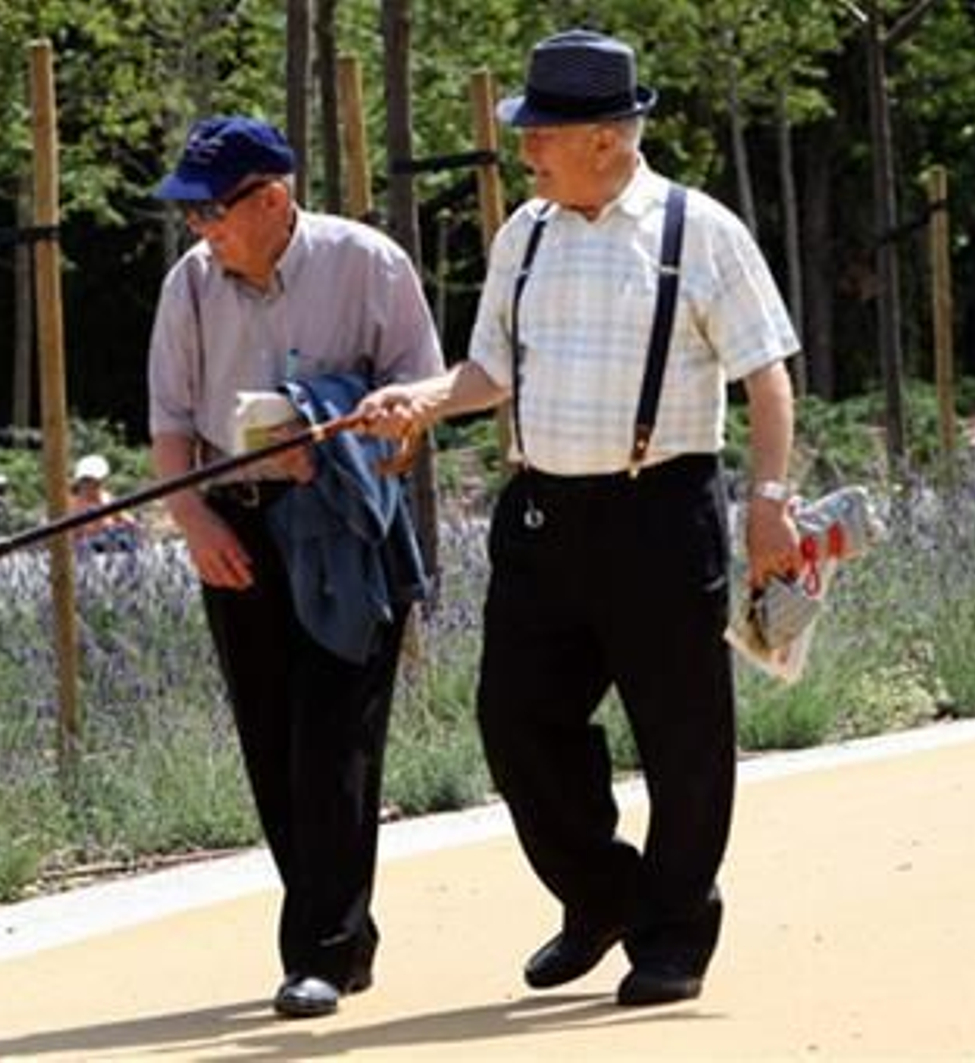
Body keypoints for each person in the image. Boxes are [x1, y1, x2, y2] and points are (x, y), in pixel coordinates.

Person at [359, 29, 802, 1007]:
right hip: (541, 519)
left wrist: (768, 503)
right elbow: (488, 373)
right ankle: (604, 894)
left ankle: (674, 933)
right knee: (515, 719)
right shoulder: (525, 233)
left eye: (542, 133)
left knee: (682, 732)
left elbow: (766, 377)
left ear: (605, 136)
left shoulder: (698, 232)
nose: (525, 151)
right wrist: (422, 399)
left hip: (661, 510)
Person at [145, 115, 444, 1019]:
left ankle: (314, 948)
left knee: (336, 741)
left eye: (212, 209)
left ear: (272, 198)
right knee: (274, 745)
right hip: (237, 528)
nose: (201, 229)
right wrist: (194, 520)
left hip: (347, 526)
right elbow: (168, 426)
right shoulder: (188, 287)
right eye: (189, 212)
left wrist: (365, 437)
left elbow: (425, 396)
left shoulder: (370, 264)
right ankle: (342, 933)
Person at [67, 453, 139, 553]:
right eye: (85, 481)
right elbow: (71, 536)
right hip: (88, 552)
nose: (88, 487)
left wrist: (120, 525)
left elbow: (131, 522)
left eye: (97, 484)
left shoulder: (107, 498)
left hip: (113, 546)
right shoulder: (74, 505)